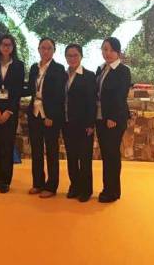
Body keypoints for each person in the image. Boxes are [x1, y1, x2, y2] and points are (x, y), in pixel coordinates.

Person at [26, 38, 66, 198]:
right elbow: (30, 88)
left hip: (50, 116)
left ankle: (51, 186)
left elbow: (59, 96)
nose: (46, 51)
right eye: (43, 48)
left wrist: (52, 116)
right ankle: (38, 183)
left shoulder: (59, 69)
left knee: (51, 151)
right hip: (34, 113)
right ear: (38, 49)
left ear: (54, 50)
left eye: (49, 48)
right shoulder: (34, 68)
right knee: (36, 150)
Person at [0, 34, 25, 194]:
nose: (6, 47)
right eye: (3, 44)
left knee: (7, 145)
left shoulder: (19, 66)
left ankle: (5, 180)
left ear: (13, 47)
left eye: (9, 45)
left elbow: (17, 91)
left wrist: (8, 111)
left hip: (10, 111)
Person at [95, 37, 132, 203]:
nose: (107, 53)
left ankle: (112, 191)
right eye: (104, 49)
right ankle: (108, 188)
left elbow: (120, 96)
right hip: (100, 118)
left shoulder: (123, 71)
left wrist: (112, 117)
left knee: (112, 155)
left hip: (114, 120)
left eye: (111, 50)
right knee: (106, 154)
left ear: (118, 52)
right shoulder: (102, 68)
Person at [62, 43, 97, 202]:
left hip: (83, 125)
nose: (72, 58)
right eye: (69, 55)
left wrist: (90, 124)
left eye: (75, 55)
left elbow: (92, 101)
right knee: (71, 157)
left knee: (84, 158)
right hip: (67, 122)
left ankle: (86, 190)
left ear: (81, 56)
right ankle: (74, 186)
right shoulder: (63, 75)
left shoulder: (89, 76)